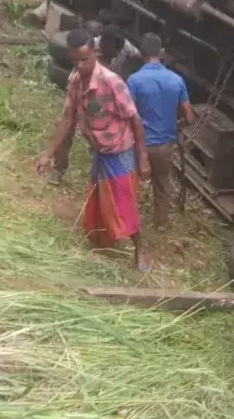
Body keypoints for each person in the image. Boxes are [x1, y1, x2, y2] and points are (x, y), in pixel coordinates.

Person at [35, 28, 151, 272]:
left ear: (95, 53)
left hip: (119, 150)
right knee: (98, 197)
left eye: (85, 59)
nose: (80, 66)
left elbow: (135, 119)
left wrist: (142, 157)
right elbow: (67, 118)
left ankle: (140, 249)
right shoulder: (75, 81)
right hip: (98, 149)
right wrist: (48, 154)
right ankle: (101, 237)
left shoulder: (112, 82)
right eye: (75, 61)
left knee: (123, 202)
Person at [48, 25, 142, 185]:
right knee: (67, 128)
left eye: (113, 51)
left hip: (106, 96)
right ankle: (58, 168)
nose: (109, 54)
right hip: (82, 91)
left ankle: (100, 164)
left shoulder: (128, 49)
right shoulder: (88, 46)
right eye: (106, 49)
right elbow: (79, 70)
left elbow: (139, 60)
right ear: (100, 47)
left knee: (101, 128)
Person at [126, 33, 195, 228]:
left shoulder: (134, 80)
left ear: (141, 54)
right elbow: (189, 117)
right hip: (164, 145)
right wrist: (177, 126)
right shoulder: (177, 80)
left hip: (139, 145)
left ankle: (128, 221)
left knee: (131, 182)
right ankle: (161, 223)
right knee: (162, 185)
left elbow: (128, 114)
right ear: (162, 52)